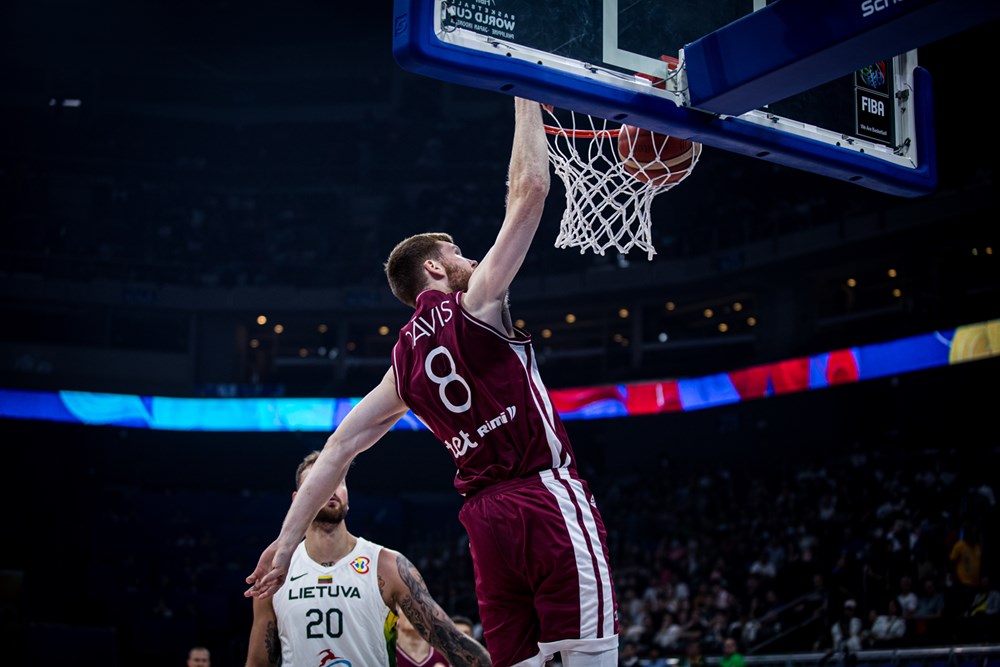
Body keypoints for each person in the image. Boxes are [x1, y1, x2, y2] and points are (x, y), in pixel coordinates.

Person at [246, 97, 618, 667]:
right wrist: (526, 94)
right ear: (435, 269)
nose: (469, 259)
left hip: (485, 523)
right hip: (543, 496)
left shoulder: (401, 367)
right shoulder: (477, 303)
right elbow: (531, 191)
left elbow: (338, 449)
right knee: (590, 655)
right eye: (458, 253)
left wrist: (285, 541)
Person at [245, 451, 489, 667]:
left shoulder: (387, 565)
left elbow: (450, 641)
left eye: (337, 482)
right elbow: (258, 663)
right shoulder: (275, 572)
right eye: (316, 483)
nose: (328, 489)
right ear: (297, 500)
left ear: (348, 496)